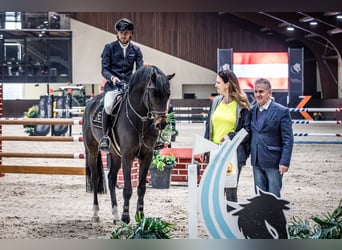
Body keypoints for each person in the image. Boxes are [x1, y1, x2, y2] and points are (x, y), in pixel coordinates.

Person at [200, 68, 251, 208]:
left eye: (218, 82)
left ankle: (231, 223)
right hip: (215, 153)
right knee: (215, 190)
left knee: (230, 191)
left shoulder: (241, 104)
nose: (216, 85)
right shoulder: (216, 101)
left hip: (232, 153)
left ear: (227, 84)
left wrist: (230, 136)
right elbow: (208, 126)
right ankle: (217, 223)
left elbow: (247, 129)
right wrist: (206, 149)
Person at [99, 18, 144, 152]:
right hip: (113, 85)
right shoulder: (109, 48)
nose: (123, 35)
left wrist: (135, 82)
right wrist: (112, 78)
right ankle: (105, 137)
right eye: (121, 32)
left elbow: (140, 70)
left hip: (130, 86)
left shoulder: (136, 50)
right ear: (117, 33)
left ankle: (151, 137)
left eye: (126, 32)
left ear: (131, 34)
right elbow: (104, 69)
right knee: (108, 104)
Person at [250, 78, 294, 198]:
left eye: (261, 91)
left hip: (274, 162)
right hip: (256, 161)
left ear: (270, 92)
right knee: (259, 197)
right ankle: (261, 217)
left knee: (274, 198)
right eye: (256, 91)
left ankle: (273, 217)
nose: (258, 95)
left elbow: (288, 139)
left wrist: (284, 161)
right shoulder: (252, 110)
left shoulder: (282, 111)